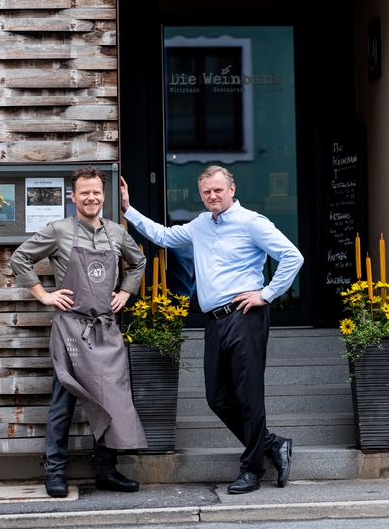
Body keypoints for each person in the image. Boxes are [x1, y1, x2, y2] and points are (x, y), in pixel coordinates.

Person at [120, 165, 304, 494]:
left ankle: (252, 469)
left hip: (245, 316)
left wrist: (266, 294)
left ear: (232, 190)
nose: (212, 196)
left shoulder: (252, 223)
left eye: (218, 190)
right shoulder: (201, 225)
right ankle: (273, 444)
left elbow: (292, 256)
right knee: (217, 397)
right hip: (215, 321)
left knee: (248, 397)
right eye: (206, 192)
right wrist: (127, 210)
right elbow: (163, 236)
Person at [11, 166, 147, 498]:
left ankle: (106, 471)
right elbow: (20, 259)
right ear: (73, 197)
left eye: (96, 192)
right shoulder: (58, 231)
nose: (91, 197)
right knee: (63, 402)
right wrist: (44, 295)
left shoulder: (116, 232)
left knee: (109, 399)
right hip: (71, 328)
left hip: (105, 329)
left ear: (104, 195)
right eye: (84, 192)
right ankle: (55, 472)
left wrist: (126, 292)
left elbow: (139, 262)